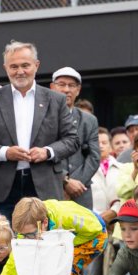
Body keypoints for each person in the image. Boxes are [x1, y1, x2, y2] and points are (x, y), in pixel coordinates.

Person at [0, 40, 78, 222]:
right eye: (13, 66)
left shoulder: (56, 99)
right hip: (2, 189)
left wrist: (47, 152)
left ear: (36, 65)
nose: (20, 71)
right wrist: (5, 152)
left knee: (44, 243)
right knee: (3, 245)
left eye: (25, 65)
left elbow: (72, 139)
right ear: (5, 68)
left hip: (44, 187)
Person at [48, 67, 99, 209]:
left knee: (84, 231)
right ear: (52, 87)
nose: (66, 89)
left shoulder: (89, 120)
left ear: (78, 90)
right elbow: (40, 154)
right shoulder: (41, 118)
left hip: (81, 191)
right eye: (61, 84)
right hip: (51, 191)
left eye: (71, 85)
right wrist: (64, 181)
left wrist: (75, 183)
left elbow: (94, 157)